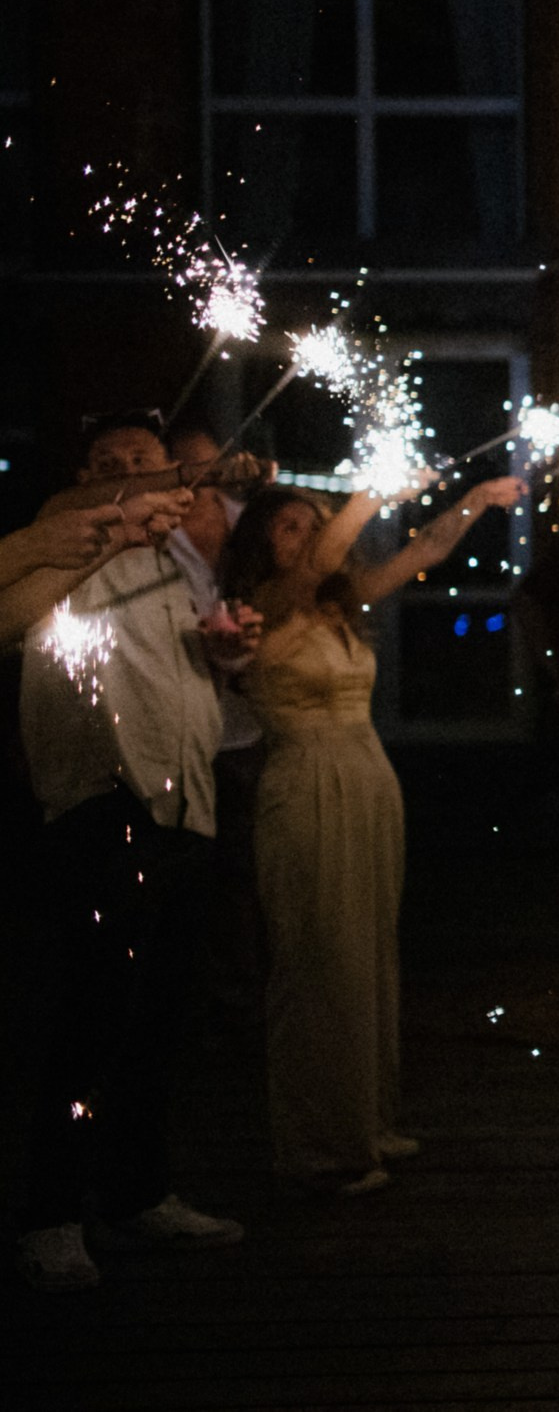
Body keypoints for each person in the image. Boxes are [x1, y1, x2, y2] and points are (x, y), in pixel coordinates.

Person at [222, 470, 525, 1193]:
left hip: (366, 779)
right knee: (318, 957)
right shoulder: (257, 608)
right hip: (305, 784)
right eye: (289, 526)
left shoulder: (338, 604)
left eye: (311, 521)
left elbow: (424, 550)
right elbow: (324, 561)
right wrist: (369, 492)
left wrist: (476, 501)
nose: (307, 537)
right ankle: (317, 1145)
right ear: (260, 544)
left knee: (367, 951)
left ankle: (365, 1120)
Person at [13, 414, 251, 1293]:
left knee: (160, 1014)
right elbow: (70, 506)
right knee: (93, 1014)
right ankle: (50, 1214)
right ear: (88, 477)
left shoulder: (175, 564)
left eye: (142, 462)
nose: (127, 476)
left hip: (184, 801)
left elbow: (187, 670)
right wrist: (145, 485)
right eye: (110, 465)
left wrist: (227, 652)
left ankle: (137, 1193)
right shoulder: (63, 545)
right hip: (104, 799)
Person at [161, 424, 270, 1043]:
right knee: (197, 867)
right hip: (184, 721)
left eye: (213, 463)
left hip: (242, 723)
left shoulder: (242, 517)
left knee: (245, 867)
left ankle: (244, 992)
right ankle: (200, 994)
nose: (205, 475)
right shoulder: (155, 533)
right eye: (191, 466)